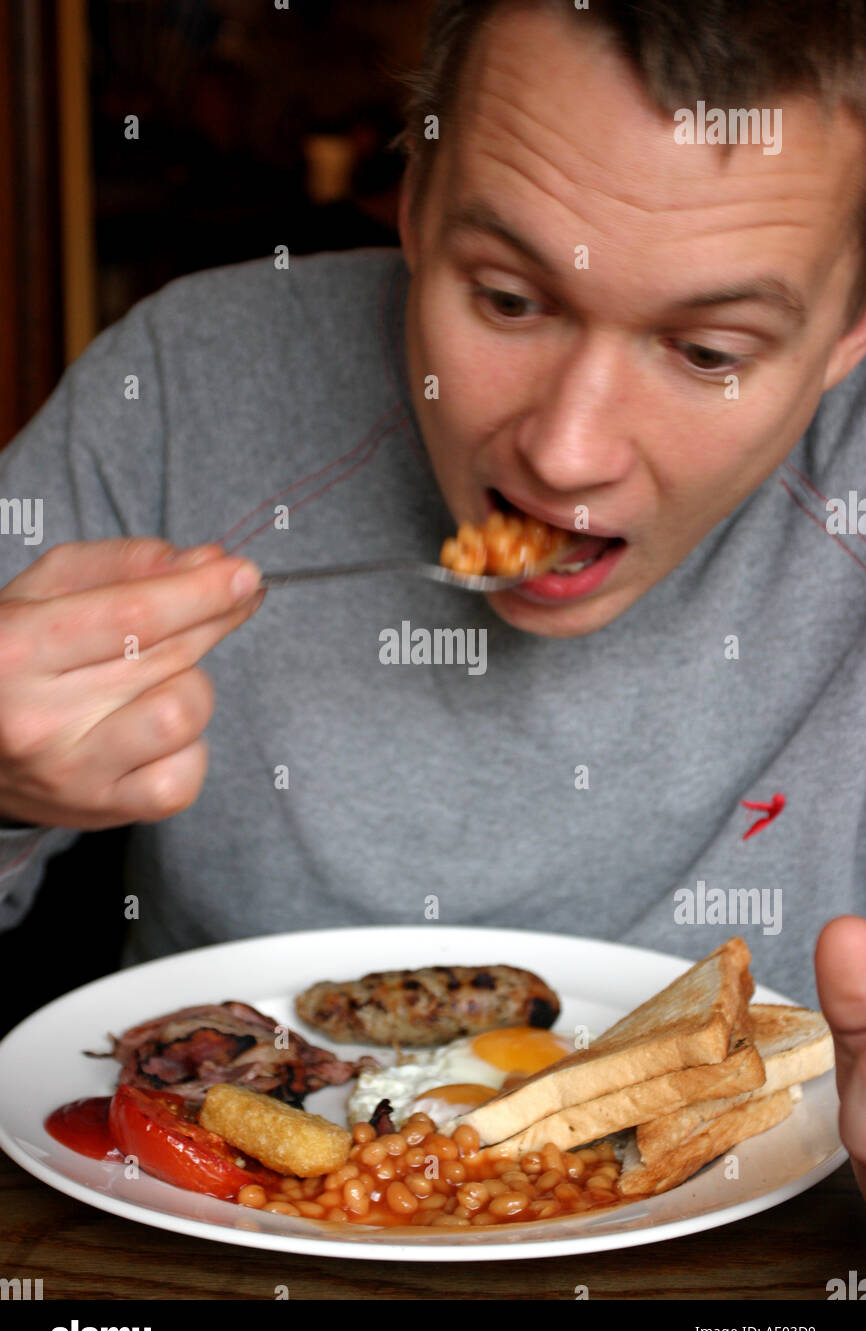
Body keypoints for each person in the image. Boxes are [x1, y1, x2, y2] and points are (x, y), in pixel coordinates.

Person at [0, 0, 863, 1201]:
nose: (564, 453)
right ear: (410, 205)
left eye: (707, 351)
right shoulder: (181, 391)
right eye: (508, 299)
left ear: (846, 331)